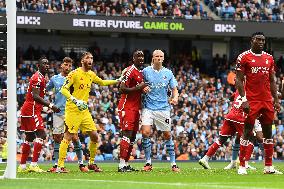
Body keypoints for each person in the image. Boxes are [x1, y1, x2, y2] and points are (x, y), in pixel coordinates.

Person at [56, 52, 120, 173]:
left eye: (91, 58)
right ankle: (60, 166)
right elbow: (63, 89)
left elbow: (102, 82)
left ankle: (91, 163)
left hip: (84, 111)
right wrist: (75, 100)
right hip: (73, 109)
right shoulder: (74, 73)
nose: (90, 60)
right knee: (68, 136)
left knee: (95, 136)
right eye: (87, 58)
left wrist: (117, 80)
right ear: (82, 61)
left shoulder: (91, 74)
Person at [235, 32, 282, 175]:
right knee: (248, 132)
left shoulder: (269, 58)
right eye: (258, 39)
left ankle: (268, 166)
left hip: (267, 100)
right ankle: (242, 166)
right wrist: (244, 100)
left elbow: (272, 80)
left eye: (263, 40)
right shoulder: (244, 57)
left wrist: (276, 100)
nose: (261, 42)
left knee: (268, 133)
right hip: (252, 100)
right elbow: (238, 80)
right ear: (252, 40)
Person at [18, 57, 60, 173]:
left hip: (28, 109)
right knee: (41, 134)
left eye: (48, 63)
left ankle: (22, 166)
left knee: (29, 137)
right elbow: (36, 96)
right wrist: (51, 105)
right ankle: (34, 164)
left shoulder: (40, 77)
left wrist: (44, 107)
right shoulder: (38, 78)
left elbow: (35, 97)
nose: (47, 65)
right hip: (31, 109)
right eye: (44, 63)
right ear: (38, 65)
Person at [46, 57, 88, 172]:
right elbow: (45, 90)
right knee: (57, 137)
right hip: (58, 112)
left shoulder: (74, 78)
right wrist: (48, 105)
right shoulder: (55, 79)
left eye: (70, 65)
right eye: (66, 65)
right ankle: (56, 165)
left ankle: (81, 164)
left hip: (71, 112)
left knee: (74, 137)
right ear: (61, 66)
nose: (67, 67)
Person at [140, 49, 180, 172]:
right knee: (145, 132)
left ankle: (173, 164)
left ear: (163, 58)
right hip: (148, 108)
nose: (158, 58)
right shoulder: (146, 71)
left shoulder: (168, 73)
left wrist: (175, 98)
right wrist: (143, 87)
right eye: (156, 56)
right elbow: (139, 83)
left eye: (160, 56)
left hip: (163, 108)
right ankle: (148, 162)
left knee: (167, 135)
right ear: (152, 58)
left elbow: (174, 89)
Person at [199, 90, 258, 169]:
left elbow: (231, 98)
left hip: (230, 116)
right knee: (251, 137)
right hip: (239, 117)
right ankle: (245, 163)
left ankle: (205, 158)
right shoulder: (252, 92)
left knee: (222, 139)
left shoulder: (238, 90)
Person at [117, 50, 146, 172]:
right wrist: (137, 88)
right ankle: (121, 165)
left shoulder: (141, 73)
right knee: (127, 134)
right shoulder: (129, 70)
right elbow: (121, 89)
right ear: (133, 58)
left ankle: (126, 163)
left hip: (135, 108)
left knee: (133, 137)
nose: (140, 58)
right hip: (126, 107)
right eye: (137, 56)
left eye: (142, 56)